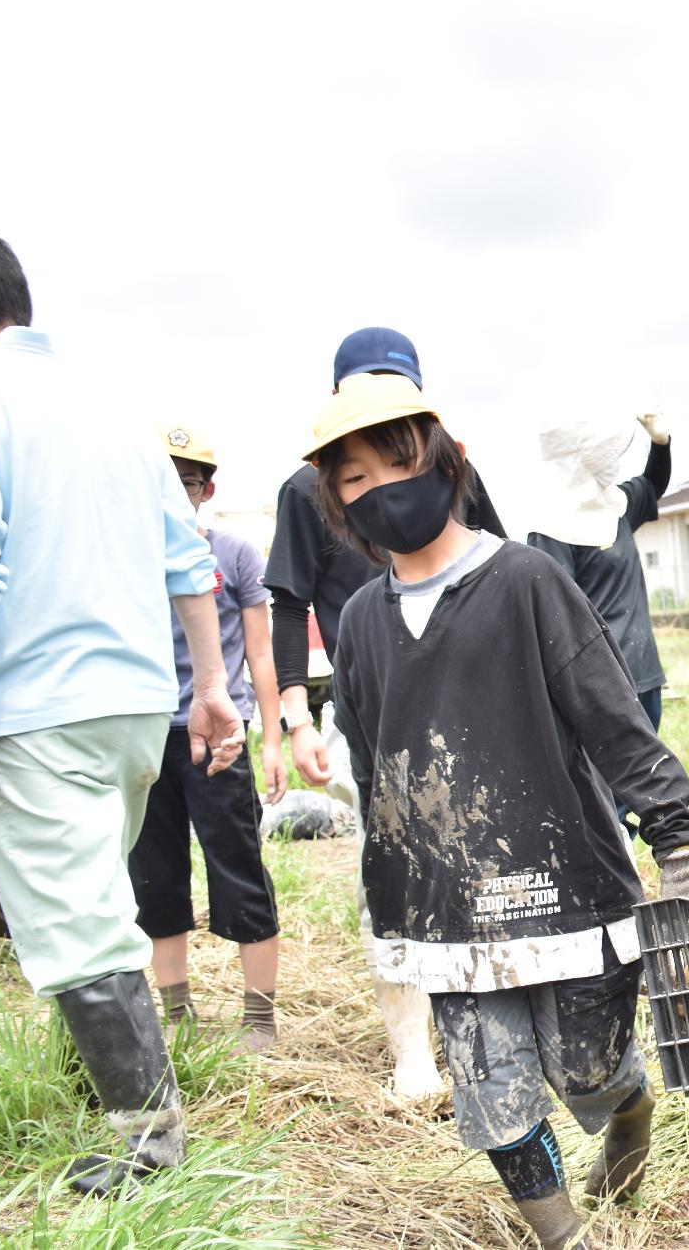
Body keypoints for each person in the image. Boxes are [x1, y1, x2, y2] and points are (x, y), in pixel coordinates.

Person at [310, 375, 689, 1249]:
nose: (378, 487)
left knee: (589, 1070)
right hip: (446, 906)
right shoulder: (359, 622)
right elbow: (372, 767)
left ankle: (628, 1110)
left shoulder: (523, 578)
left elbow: (610, 714)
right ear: (332, 502)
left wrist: (677, 838)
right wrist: (388, 901)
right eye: (351, 478)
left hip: (565, 887)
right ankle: (564, 1234)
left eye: (396, 461)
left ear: (445, 461)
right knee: (494, 1096)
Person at [0, 228, 245, 1194]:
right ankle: (96, 1087)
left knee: (81, 919)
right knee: (83, 893)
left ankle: (150, 1144)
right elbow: (187, 560)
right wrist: (209, 688)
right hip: (135, 707)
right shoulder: (113, 406)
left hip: (30, 705)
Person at [262, 326, 507, 1098]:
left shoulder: (449, 466)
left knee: (485, 847)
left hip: (469, 691)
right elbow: (287, 599)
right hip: (375, 708)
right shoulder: (309, 488)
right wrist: (296, 715)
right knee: (393, 862)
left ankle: (493, 1016)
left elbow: (496, 560)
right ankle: (413, 1050)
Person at [126, 424, 285, 1052]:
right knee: (154, 874)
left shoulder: (236, 553)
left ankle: (259, 1016)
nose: (173, 491)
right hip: (145, 731)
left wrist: (271, 737)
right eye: (161, 480)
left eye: (185, 481)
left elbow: (261, 652)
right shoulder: (126, 554)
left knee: (238, 864)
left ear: (205, 488)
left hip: (218, 734)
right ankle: (177, 1014)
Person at [524, 409, 672, 739]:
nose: (612, 461)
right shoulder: (551, 528)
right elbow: (557, 619)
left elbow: (652, 484)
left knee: (648, 782)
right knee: (603, 788)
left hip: (644, 672)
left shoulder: (615, 507)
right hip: (601, 686)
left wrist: (660, 443)